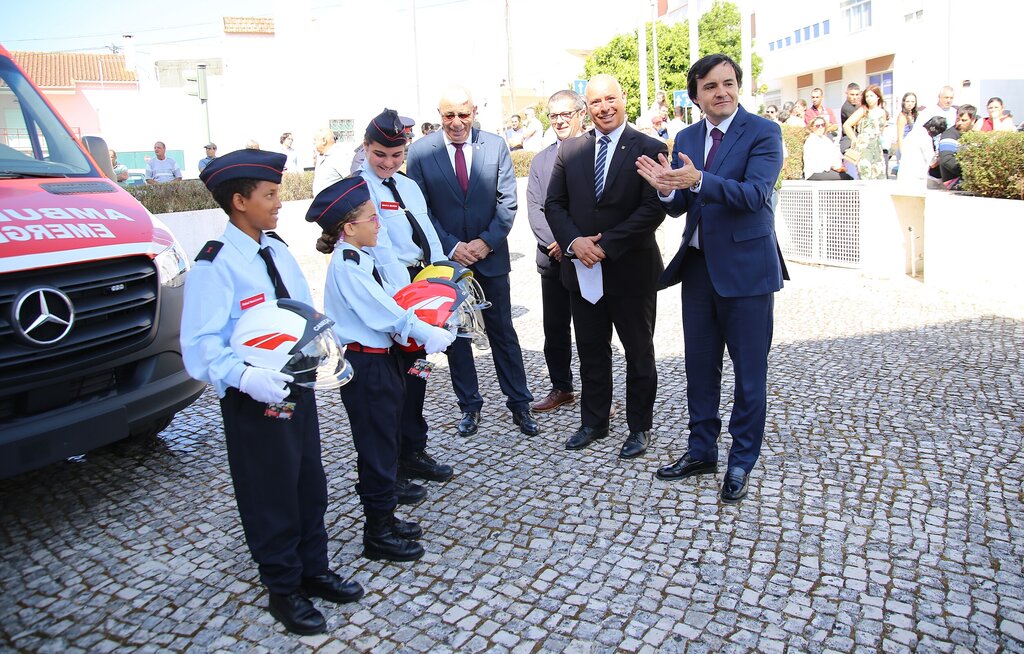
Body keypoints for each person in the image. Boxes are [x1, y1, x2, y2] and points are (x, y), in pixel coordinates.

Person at [180, 149, 363, 636]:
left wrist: (327, 340)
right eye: (270, 195)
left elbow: (297, 312)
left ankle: (314, 568)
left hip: (295, 385)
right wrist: (244, 377)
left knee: (308, 481)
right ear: (239, 201)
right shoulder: (215, 265)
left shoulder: (276, 247)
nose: (279, 202)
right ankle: (284, 589)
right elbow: (199, 345)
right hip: (254, 396)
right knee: (270, 494)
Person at [635, 53, 787, 504]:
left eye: (728, 83)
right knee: (700, 369)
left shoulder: (764, 132)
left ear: (738, 86)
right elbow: (682, 205)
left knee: (749, 373)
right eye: (710, 86)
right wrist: (666, 188)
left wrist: (698, 178)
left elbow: (756, 195)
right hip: (698, 269)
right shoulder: (686, 135)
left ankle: (741, 458)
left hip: (747, 272)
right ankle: (701, 450)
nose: (721, 92)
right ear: (695, 95)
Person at [307, 176, 455, 565]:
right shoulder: (348, 264)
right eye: (373, 218)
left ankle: (386, 514)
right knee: (375, 448)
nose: (379, 224)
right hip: (365, 364)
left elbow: (392, 298)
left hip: (379, 359)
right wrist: (423, 331)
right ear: (348, 227)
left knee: (385, 442)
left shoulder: (362, 256)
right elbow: (382, 311)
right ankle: (377, 532)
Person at [544, 73, 667, 460]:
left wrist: (606, 246)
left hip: (631, 270)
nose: (604, 108)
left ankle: (639, 427)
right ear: (587, 107)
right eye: (596, 103)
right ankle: (594, 422)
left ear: (623, 98)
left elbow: (653, 208)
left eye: (610, 99)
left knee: (639, 353)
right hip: (581, 271)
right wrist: (575, 243)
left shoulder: (649, 145)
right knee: (591, 350)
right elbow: (554, 205)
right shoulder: (570, 150)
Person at [406, 85, 539, 438]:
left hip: (490, 257)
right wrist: (451, 247)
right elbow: (420, 211)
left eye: (463, 114)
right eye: (448, 115)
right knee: (457, 336)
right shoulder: (420, 153)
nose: (456, 122)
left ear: (474, 111)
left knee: (503, 333)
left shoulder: (495, 145)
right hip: (447, 263)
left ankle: (519, 404)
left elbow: (507, 202)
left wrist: (485, 242)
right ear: (439, 115)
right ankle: (469, 406)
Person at [355, 109, 453, 502]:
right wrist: (409, 303)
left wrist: (443, 277)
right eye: (380, 154)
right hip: (391, 291)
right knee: (392, 384)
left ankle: (414, 450)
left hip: (422, 282)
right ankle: (389, 466)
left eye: (396, 155)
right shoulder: (359, 191)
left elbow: (427, 230)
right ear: (365, 148)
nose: (388, 163)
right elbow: (381, 253)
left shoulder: (407, 186)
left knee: (417, 375)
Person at [526, 90, 586, 414]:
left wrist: (575, 243)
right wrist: (561, 243)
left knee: (592, 328)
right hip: (551, 258)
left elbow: (599, 207)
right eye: (554, 115)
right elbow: (536, 208)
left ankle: (595, 392)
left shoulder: (595, 152)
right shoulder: (540, 160)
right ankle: (561, 387)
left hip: (589, 259)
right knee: (556, 327)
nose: (560, 120)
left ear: (581, 113)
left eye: (566, 114)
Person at [843, 84, 888, 180]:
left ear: (877, 97)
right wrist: (855, 140)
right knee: (866, 174)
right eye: (867, 96)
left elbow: (882, 129)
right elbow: (847, 125)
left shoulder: (882, 112)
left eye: (871, 96)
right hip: (864, 148)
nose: (869, 99)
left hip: (877, 148)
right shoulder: (863, 110)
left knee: (880, 175)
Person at [896, 117, 946, 184]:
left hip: (903, 174)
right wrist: (943, 157)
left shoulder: (913, 132)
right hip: (916, 177)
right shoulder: (926, 138)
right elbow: (933, 163)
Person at [938, 104, 978, 188]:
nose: (959, 123)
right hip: (954, 181)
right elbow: (947, 160)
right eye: (958, 119)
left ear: (973, 120)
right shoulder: (950, 134)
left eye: (964, 120)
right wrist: (969, 173)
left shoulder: (975, 136)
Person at [312, 128, 345, 196]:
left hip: (335, 204)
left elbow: (352, 180)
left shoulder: (338, 156)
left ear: (324, 140)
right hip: (322, 205)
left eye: (315, 140)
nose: (313, 143)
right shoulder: (322, 155)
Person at [839, 83, 861, 154]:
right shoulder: (847, 107)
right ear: (846, 93)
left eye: (857, 95)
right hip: (848, 141)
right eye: (852, 94)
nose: (854, 97)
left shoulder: (857, 106)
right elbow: (859, 121)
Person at [895, 93, 918, 159]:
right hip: (905, 148)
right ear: (903, 102)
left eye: (912, 101)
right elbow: (900, 137)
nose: (910, 103)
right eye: (907, 101)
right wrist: (903, 153)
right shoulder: (902, 117)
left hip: (913, 147)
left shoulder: (914, 115)